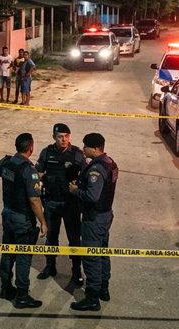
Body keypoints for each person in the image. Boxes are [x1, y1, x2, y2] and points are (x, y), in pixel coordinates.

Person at [0, 133, 47, 308]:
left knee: (8, 253)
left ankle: (6, 288)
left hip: (7, 215)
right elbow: (34, 200)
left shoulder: (7, 162)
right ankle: (22, 295)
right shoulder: (29, 170)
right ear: (31, 147)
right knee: (23, 258)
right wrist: (43, 222)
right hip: (23, 220)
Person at [68, 133, 118, 311]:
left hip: (94, 218)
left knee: (91, 257)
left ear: (95, 149)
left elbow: (92, 196)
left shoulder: (96, 169)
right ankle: (104, 289)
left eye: (86, 147)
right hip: (105, 215)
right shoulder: (110, 162)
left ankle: (92, 297)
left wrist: (75, 191)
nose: (83, 149)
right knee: (103, 253)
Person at [35, 123, 87, 286]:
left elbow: (85, 176)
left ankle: (76, 271)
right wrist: (46, 178)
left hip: (70, 204)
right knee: (51, 237)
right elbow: (37, 172)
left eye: (66, 136)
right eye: (60, 136)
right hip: (51, 201)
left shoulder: (77, 154)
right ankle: (50, 267)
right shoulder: (46, 152)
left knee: (74, 239)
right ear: (54, 137)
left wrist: (78, 186)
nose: (63, 139)